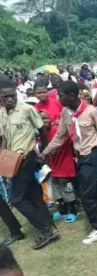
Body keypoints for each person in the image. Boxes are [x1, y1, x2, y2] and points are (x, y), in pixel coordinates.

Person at [39, 81, 97, 245]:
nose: (57, 98)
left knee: (86, 193)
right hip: (80, 155)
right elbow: (60, 136)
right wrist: (45, 152)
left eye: (60, 95)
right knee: (92, 190)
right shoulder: (66, 113)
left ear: (72, 96)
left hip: (93, 153)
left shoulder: (90, 111)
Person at [0, 75, 59, 250]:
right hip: (12, 159)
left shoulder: (27, 109)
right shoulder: (2, 113)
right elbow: (4, 138)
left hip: (26, 158)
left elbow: (42, 129)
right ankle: (49, 225)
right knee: (33, 195)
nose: (10, 99)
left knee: (16, 198)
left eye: (12, 95)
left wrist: (45, 153)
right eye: (5, 97)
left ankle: (45, 230)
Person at [39, 111, 78, 223]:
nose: (44, 121)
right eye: (41, 119)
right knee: (56, 189)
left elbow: (64, 141)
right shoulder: (43, 133)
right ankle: (63, 210)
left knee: (67, 188)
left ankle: (73, 210)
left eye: (46, 118)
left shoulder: (57, 130)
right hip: (53, 166)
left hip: (64, 164)